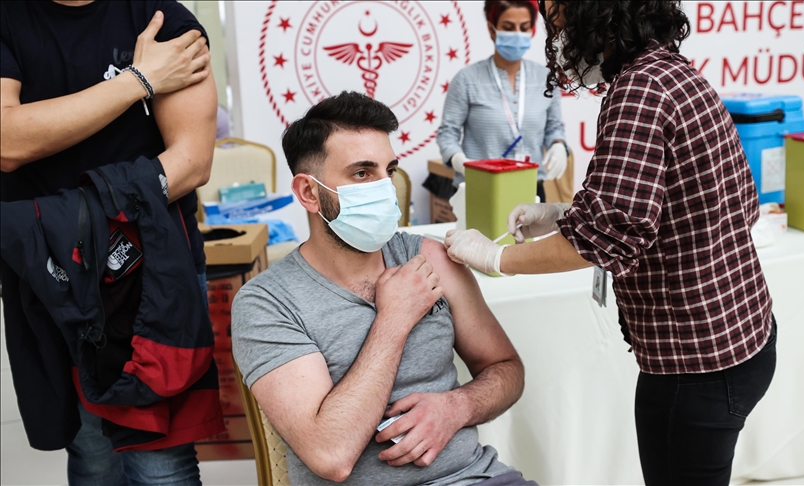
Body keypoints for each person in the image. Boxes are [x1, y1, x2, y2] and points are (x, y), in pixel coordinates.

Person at [444, 2, 776, 485]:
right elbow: (682, 203)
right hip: (743, 335)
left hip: (697, 362)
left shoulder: (640, 92)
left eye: (558, 17)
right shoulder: (672, 72)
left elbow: (604, 241)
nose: (556, 33)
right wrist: (564, 214)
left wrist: (497, 257)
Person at [231, 91, 535, 486]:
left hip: (475, 478)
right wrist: (394, 320)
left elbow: (506, 369)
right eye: (362, 173)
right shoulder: (267, 303)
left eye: (388, 170)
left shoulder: (429, 258)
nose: (385, 188)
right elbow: (331, 455)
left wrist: (457, 406)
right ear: (309, 193)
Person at [1, 1, 219, 484]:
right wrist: (138, 81)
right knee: (92, 454)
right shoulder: (9, 20)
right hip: (52, 271)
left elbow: (191, 162)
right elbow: (5, 142)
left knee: (160, 462)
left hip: (150, 269)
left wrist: (78, 220)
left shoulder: (161, 18)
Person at [436, 0, 568, 202]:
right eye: (508, 27)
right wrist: (459, 160)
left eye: (524, 27)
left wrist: (558, 145)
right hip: (479, 186)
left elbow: (554, 127)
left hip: (530, 187)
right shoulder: (467, 79)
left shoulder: (546, 79)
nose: (517, 34)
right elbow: (447, 134)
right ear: (492, 29)